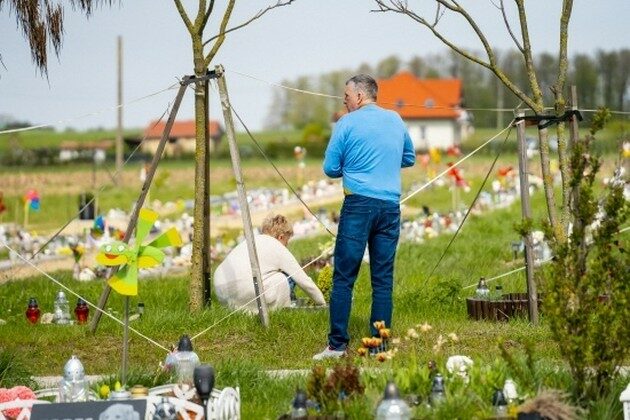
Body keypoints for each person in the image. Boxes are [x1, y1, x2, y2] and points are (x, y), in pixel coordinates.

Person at [313, 74, 415, 360]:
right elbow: (409, 158)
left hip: (358, 205)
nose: (344, 102)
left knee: (344, 277)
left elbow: (331, 168)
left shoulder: (346, 123)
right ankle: (379, 346)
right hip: (390, 207)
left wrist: (354, 163)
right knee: (383, 279)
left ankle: (336, 346)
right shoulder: (395, 119)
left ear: (359, 96)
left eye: (346, 96)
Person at [213, 214, 326, 313]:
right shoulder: (276, 246)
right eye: (286, 241)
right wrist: (322, 304)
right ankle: (283, 308)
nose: (286, 245)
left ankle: (248, 310)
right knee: (286, 277)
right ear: (281, 237)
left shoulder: (251, 240)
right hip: (242, 289)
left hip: (222, 294)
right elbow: (303, 280)